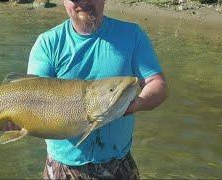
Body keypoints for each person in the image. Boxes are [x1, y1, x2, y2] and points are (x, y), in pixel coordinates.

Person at [25, 0, 168, 179]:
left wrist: (136, 104)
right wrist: (19, 123)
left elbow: (157, 83)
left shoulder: (132, 35)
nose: (83, 2)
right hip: (63, 166)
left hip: (119, 164)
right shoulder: (47, 43)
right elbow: (31, 98)